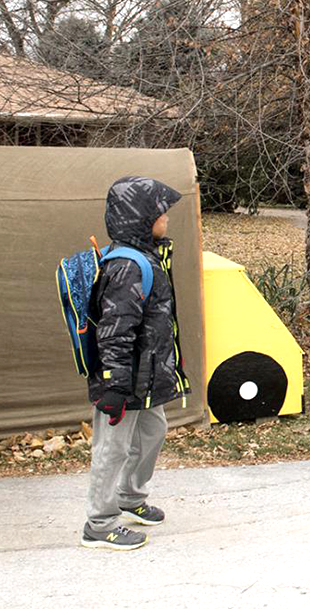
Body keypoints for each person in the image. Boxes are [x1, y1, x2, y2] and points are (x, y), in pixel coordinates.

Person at [81, 176, 191, 551]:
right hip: (123, 379)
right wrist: (113, 384)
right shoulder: (128, 266)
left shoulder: (147, 256)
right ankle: (99, 523)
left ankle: (130, 497)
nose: (166, 217)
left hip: (144, 377)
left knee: (152, 431)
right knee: (112, 448)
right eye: (161, 211)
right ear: (142, 217)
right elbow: (114, 331)